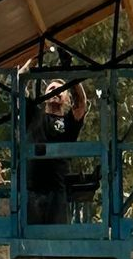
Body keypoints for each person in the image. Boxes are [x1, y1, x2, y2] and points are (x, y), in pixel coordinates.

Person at [26, 73, 88, 225]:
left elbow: (81, 103)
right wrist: (29, 64)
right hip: (31, 189)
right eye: (51, 88)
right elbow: (19, 87)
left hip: (58, 192)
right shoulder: (34, 115)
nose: (55, 91)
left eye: (60, 90)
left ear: (67, 98)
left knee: (56, 240)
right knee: (29, 242)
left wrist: (71, 73)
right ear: (45, 95)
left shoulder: (68, 122)